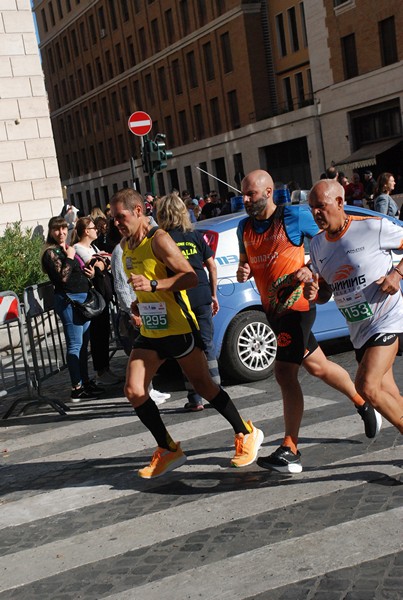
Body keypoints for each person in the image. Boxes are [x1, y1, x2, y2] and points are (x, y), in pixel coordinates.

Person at [110, 188, 263, 479]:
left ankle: (247, 432)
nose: (116, 222)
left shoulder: (160, 239)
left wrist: (154, 287)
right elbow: (146, 284)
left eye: (121, 216)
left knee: (204, 386)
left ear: (139, 211)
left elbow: (191, 277)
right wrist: (139, 303)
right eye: (113, 217)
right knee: (133, 390)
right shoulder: (127, 243)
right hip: (152, 330)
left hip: (178, 327)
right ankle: (168, 449)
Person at [237, 170, 381, 474]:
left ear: (268, 192)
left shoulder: (293, 217)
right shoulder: (243, 227)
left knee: (284, 373)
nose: (245, 199)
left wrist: (309, 271)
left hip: (298, 306)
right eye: (243, 194)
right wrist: (244, 270)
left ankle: (290, 448)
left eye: (251, 194)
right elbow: (246, 260)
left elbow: (327, 245)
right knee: (317, 366)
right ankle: (362, 402)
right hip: (273, 311)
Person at [304, 179, 403, 435]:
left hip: (388, 318)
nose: (315, 213)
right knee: (389, 395)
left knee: (366, 387)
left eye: (320, 206)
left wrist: (397, 274)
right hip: (360, 330)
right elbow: (326, 290)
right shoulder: (316, 245)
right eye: (311, 208)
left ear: (339, 202)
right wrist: (316, 292)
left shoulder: (372, 227)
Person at [156, 192, 220, 411]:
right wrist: (214, 294)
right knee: (207, 344)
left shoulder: (163, 239)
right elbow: (212, 266)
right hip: (202, 293)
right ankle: (216, 391)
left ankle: (195, 398)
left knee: (188, 348)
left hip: (180, 298)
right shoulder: (196, 236)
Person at [41, 216, 101, 402]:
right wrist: (69, 257)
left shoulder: (67, 248)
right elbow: (62, 278)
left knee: (83, 345)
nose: (61, 233)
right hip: (69, 301)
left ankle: (84, 380)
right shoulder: (51, 253)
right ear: (50, 232)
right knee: (75, 345)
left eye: (64, 228)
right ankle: (76, 387)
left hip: (82, 300)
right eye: (56, 229)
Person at [110, 243, 171, 406]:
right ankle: (145, 392)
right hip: (134, 311)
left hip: (146, 307)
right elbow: (121, 286)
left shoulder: (141, 246)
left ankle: (149, 388)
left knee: (150, 352)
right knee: (140, 353)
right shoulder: (119, 251)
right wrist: (132, 312)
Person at [72, 217, 120, 386]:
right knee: (98, 334)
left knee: (104, 332)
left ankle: (106, 368)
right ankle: (101, 370)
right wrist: (102, 261)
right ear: (86, 231)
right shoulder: (79, 248)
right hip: (95, 297)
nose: (96, 230)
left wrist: (103, 261)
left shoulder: (93, 246)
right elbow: (96, 264)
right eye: (93, 227)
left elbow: (106, 262)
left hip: (103, 294)